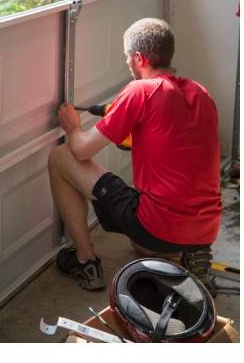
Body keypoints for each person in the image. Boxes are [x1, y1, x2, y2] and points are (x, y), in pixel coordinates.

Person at [48, 18, 222, 291]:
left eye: (127, 56)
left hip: (158, 225)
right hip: (206, 227)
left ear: (139, 57)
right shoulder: (201, 93)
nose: (127, 62)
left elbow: (81, 150)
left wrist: (73, 127)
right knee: (140, 245)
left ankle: (85, 262)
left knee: (60, 156)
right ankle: (191, 251)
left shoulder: (140, 90)